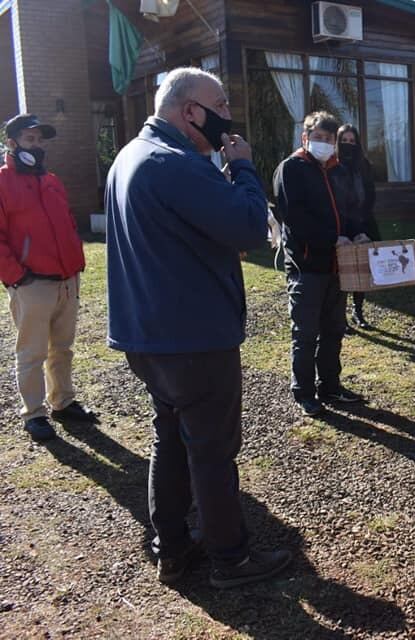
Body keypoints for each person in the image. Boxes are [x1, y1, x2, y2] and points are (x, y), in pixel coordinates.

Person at [105, 67, 291, 588]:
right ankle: (230, 559)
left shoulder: (130, 156)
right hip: (193, 336)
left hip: (149, 336)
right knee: (211, 451)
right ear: (191, 112)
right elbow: (249, 226)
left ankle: (171, 548)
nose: (228, 115)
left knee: (171, 437)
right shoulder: (175, 162)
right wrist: (244, 168)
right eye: (222, 104)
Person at [0, 113, 97, 442]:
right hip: (32, 284)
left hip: (67, 279)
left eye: (41, 140)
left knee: (63, 348)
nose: (38, 146)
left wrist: (77, 260)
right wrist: (16, 276)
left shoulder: (51, 179)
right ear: (11, 143)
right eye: (30, 139)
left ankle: (63, 401)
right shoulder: (2, 182)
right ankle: (34, 413)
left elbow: (67, 222)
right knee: (31, 352)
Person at [273, 111, 368, 417]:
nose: (325, 144)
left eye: (330, 139)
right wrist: (331, 239)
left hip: (338, 265)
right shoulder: (291, 169)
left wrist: (358, 233)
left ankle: (330, 385)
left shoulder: (337, 170)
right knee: (305, 332)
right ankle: (303, 391)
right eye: (320, 138)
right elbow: (296, 220)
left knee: (333, 329)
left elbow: (350, 210)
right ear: (305, 138)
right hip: (307, 266)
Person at [336, 123, 379, 329]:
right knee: (342, 271)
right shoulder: (332, 166)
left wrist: (364, 222)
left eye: (352, 141)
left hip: (362, 221)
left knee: (361, 269)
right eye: (344, 141)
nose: (348, 145)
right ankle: (340, 316)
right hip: (341, 223)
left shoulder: (364, 165)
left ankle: (358, 311)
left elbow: (370, 194)